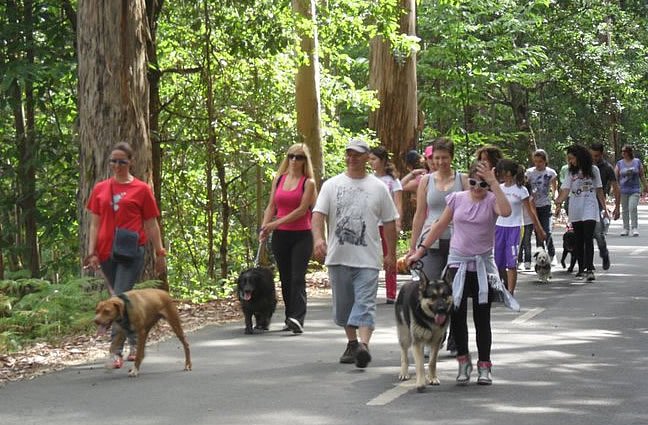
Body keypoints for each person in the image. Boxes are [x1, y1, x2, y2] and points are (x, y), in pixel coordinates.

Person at [408, 161, 512, 386]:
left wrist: (494, 184)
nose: (477, 187)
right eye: (473, 182)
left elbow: (506, 211)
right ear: (469, 181)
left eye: (482, 184)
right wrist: (420, 250)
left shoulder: (493, 200)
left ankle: (485, 365)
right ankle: (463, 362)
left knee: (482, 317)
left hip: (482, 266)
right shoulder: (458, 199)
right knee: (455, 315)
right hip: (458, 265)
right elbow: (438, 225)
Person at [312, 138, 399, 369]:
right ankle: (352, 342)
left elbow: (390, 222)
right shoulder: (332, 185)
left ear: (366, 157)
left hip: (368, 257)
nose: (352, 158)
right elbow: (318, 215)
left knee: (365, 302)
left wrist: (391, 254)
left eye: (357, 154)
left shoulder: (378, 187)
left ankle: (364, 345)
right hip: (339, 255)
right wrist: (319, 239)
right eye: (349, 154)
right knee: (344, 306)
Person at [85, 142, 167, 369]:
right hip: (104, 251)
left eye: (122, 161)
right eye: (113, 161)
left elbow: (151, 224)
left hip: (131, 251)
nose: (117, 165)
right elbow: (94, 224)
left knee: (118, 298)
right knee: (121, 301)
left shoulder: (141, 189)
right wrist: (91, 252)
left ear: (131, 162)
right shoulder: (100, 188)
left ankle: (115, 350)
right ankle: (134, 341)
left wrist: (160, 252)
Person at [260, 143, 317, 334]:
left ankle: (298, 318)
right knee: (285, 277)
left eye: (299, 157)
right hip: (281, 236)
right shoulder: (278, 180)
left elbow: (302, 210)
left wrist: (274, 224)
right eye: (291, 156)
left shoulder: (308, 183)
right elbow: (271, 206)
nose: (294, 160)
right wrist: (265, 226)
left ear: (304, 161)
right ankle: (289, 317)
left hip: (302, 234)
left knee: (297, 277)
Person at [554, 144, 608, 282]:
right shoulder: (570, 173)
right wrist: (558, 203)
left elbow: (599, 190)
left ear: (579, 157)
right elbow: (565, 190)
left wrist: (605, 208)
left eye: (571, 158)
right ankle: (581, 268)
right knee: (579, 239)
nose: (570, 161)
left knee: (588, 238)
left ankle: (589, 269)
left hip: (590, 206)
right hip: (576, 208)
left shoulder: (593, 170)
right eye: (569, 159)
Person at [494, 160, 545, 295]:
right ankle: (501, 287)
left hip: (515, 227)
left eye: (502, 172)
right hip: (499, 227)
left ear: (510, 173)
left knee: (511, 261)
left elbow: (530, 211)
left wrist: (538, 228)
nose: (500, 175)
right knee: (498, 262)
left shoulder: (521, 190)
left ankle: (510, 292)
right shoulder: (499, 188)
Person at [369, 146, 403, 304]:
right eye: (370, 159)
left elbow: (398, 202)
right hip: (371, 224)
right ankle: (369, 292)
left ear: (382, 161)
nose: (371, 162)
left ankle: (391, 293)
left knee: (390, 257)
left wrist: (397, 222)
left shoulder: (392, 181)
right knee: (371, 258)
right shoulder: (368, 179)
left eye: (374, 159)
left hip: (387, 223)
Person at [590, 142, 620, 270]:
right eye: (592, 156)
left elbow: (615, 187)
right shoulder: (586, 166)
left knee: (598, 234)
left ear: (601, 154)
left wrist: (617, 207)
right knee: (585, 236)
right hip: (583, 204)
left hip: (598, 205)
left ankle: (604, 253)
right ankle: (587, 264)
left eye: (596, 156)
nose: (594, 158)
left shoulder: (607, 168)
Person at [526, 149, 558, 261]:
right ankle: (541, 256)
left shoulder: (551, 173)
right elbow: (525, 187)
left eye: (540, 161)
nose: (537, 164)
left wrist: (557, 201)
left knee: (547, 231)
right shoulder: (529, 173)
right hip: (533, 206)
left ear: (545, 161)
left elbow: (555, 189)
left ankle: (552, 254)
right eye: (535, 161)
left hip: (546, 204)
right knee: (538, 232)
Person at [615, 145, 647, 236]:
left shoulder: (637, 162)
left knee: (632, 207)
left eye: (624, 151)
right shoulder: (620, 163)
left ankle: (634, 227)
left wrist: (645, 185)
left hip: (635, 189)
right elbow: (615, 176)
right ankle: (625, 228)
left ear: (629, 152)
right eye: (622, 151)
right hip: (623, 190)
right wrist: (615, 187)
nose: (623, 153)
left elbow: (641, 175)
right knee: (624, 209)